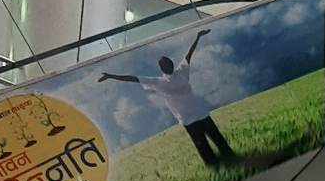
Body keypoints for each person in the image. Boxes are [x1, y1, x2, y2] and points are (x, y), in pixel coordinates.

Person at [98, 27, 236, 167]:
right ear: (163, 67)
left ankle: (226, 160)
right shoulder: (161, 81)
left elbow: (189, 54)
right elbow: (133, 78)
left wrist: (198, 37)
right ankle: (217, 164)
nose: (168, 65)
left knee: (213, 141)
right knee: (206, 145)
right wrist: (111, 76)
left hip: (198, 115)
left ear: (168, 65)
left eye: (168, 63)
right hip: (192, 118)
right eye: (166, 64)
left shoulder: (176, 74)